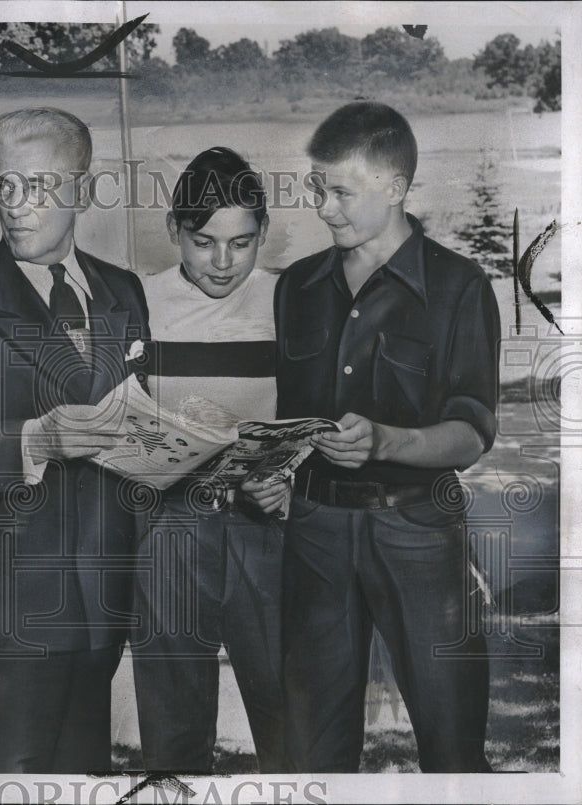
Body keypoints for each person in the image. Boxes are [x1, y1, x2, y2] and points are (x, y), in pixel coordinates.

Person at [243, 101, 500, 772]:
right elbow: (293, 416)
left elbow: (471, 432)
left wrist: (386, 441)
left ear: (394, 186)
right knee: (310, 752)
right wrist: (271, 466)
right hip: (315, 535)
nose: (322, 207)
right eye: (315, 186)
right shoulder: (296, 286)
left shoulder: (460, 287)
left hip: (419, 535)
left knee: (453, 745)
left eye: (340, 191)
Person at [0, 107, 149, 773]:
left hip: (100, 607)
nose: (15, 205)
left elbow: (132, 431)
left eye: (38, 186)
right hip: (1, 615)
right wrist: (35, 441)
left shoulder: (123, 291)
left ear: (84, 190)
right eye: (5, 184)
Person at [129, 147, 285, 773]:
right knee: (173, 725)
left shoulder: (290, 302)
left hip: (268, 533)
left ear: (263, 235)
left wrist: (292, 481)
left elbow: (320, 415)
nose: (223, 262)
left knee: (290, 715)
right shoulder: (138, 301)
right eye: (203, 241)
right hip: (169, 530)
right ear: (174, 231)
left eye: (242, 243)